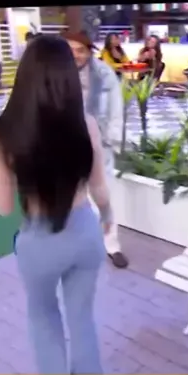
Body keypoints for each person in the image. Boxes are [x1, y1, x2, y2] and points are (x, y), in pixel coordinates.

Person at [0, 35, 112, 374]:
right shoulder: (85, 123)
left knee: (43, 318)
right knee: (82, 319)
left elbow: (3, 207)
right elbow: (99, 186)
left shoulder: (2, 134)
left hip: (38, 241)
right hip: (85, 231)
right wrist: (108, 215)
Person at [61, 30, 129, 269]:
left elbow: (116, 110)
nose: (75, 55)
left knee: (104, 198)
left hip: (99, 144)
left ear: (90, 51)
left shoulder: (104, 74)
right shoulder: (54, 73)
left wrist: (113, 140)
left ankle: (112, 245)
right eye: (69, 50)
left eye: (80, 50)